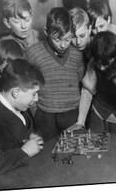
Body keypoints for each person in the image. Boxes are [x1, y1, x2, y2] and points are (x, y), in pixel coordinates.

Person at [0, 59, 45, 177]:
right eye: (34, 94)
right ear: (15, 93)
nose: (36, 99)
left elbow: (19, 128)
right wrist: (24, 151)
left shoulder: (18, 106)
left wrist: (29, 137)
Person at [26, 7, 85, 141]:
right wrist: (36, 113)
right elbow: (28, 86)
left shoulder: (77, 54)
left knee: (73, 154)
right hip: (45, 116)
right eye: (57, 40)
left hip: (72, 114)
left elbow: (80, 79)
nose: (63, 45)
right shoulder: (33, 54)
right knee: (47, 156)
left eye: (68, 39)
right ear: (46, 32)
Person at [68, 31, 116, 133]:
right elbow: (87, 90)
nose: (101, 67)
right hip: (98, 111)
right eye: (98, 63)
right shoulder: (95, 60)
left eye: (105, 64)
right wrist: (80, 122)